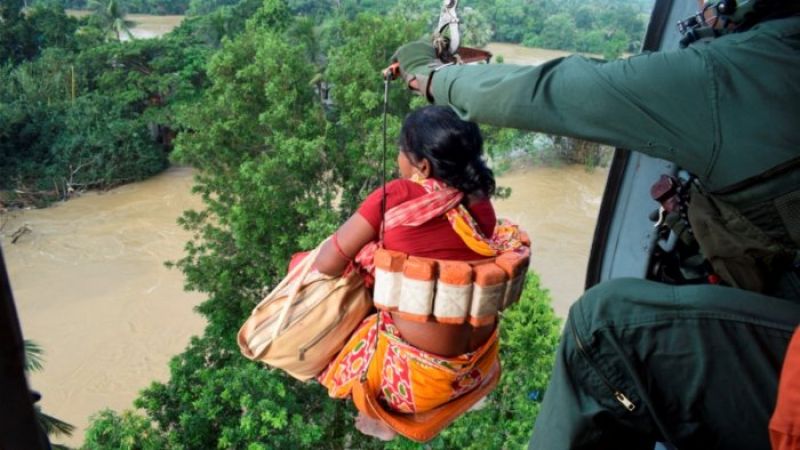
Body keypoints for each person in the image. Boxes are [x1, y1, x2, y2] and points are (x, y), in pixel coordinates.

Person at [392, 0, 800, 448]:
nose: (701, 7)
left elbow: (556, 92)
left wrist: (429, 75)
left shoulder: (742, 72)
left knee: (604, 330)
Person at [313, 105, 525, 442]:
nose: (398, 158)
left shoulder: (397, 195)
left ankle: (377, 411)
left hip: (412, 386)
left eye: (402, 151)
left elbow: (326, 264)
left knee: (330, 280)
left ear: (423, 166)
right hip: (477, 368)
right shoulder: (481, 201)